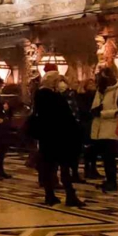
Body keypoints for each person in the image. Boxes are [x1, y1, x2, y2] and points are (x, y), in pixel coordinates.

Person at [26, 72, 83, 207]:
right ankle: (69, 195)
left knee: (50, 167)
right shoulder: (50, 96)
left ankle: (51, 194)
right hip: (58, 136)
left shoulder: (41, 96)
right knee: (62, 166)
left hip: (49, 136)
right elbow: (62, 116)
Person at [88, 66, 118, 193]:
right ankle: (108, 179)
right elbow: (95, 105)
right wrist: (94, 110)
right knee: (104, 157)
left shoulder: (117, 90)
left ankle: (112, 181)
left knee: (110, 157)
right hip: (99, 128)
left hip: (110, 127)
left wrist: (103, 113)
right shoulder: (100, 90)